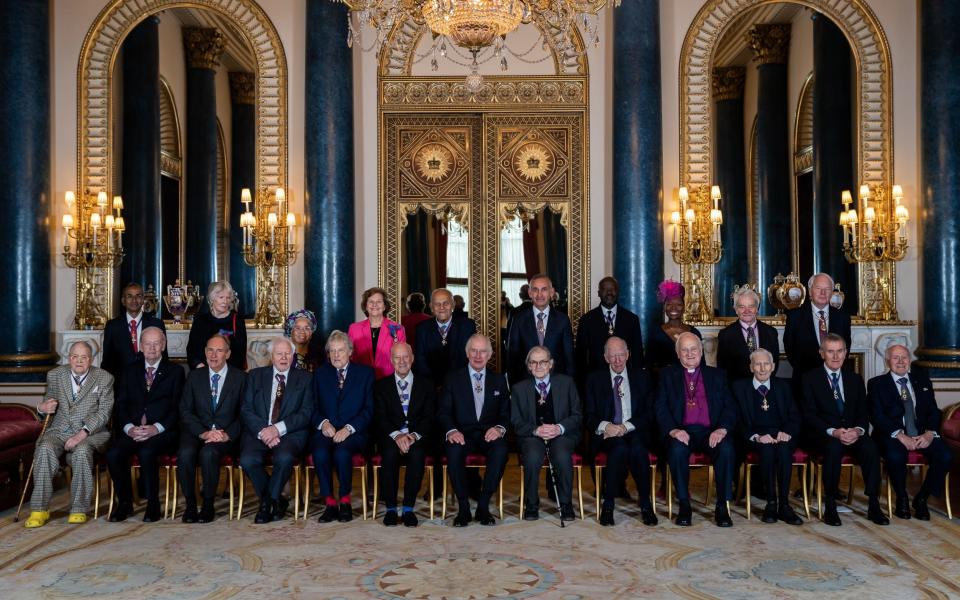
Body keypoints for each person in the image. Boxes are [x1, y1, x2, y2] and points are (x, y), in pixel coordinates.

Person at [23, 341, 114, 528]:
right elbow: (47, 404)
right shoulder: (55, 375)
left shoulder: (104, 378)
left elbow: (104, 413)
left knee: (80, 452)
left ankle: (79, 509)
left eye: (84, 357)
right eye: (75, 356)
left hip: (92, 432)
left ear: (91, 359)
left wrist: (82, 434)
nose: (79, 361)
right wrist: (42, 407)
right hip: (59, 429)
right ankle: (39, 509)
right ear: (69, 358)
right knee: (44, 448)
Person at [800, 333, 887, 526]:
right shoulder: (810, 379)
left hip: (852, 432)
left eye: (840, 351)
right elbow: (809, 415)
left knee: (871, 448)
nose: (836, 356)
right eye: (830, 351)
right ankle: (830, 504)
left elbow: (863, 413)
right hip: (823, 434)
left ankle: (874, 503)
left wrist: (857, 430)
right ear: (822, 353)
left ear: (846, 353)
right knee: (833, 449)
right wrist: (834, 431)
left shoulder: (854, 379)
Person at [655, 332, 736, 527]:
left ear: (701, 351)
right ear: (678, 354)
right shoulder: (667, 375)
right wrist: (673, 430)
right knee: (676, 450)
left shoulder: (718, 375)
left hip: (711, 431)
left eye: (694, 349)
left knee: (726, 449)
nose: (690, 354)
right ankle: (684, 504)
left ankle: (722, 506)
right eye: (685, 350)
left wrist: (722, 430)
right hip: (682, 431)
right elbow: (660, 407)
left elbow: (730, 406)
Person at [107, 327, 185, 522]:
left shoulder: (176, 371)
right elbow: (121, 405)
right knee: (114, 453)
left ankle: (152, 503)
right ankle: (124, 502)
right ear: (140, 346)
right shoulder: (129, 371)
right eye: (147, 344)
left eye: (156, 343)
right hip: (133, 429)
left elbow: (178, 408)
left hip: (162, 432)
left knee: (147, 451)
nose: (152, 348)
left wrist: (155, 428)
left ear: (163, 345)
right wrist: (129, 429)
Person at [868, 344, 952, 520]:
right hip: (892, 434)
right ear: (887, 360)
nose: (900, 361)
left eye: (904, 357)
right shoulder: (877, 384)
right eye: (895, 357)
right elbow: (876, 415)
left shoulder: (922, 380)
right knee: (895, 455)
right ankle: (902, 497)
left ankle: (922, 498)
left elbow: (933, 411)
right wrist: (899, 434)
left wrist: (930, 433)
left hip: (921, 433)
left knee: (945, 455)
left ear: (910, 360)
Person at [240, 337, 315, 523]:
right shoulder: (255, 375)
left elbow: (306, 412)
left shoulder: (305, 378)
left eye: (287, 353)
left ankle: (266, 504)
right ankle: (276, 500)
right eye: (279, 354)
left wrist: (277, 429)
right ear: (271, 356)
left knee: (284, 457)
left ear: (293, 355)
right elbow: (246, 409)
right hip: (259, 431)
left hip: (290, 432)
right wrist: (264, 430)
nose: (283, 358)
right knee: (248, 460)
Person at [585, 337, 658, 527]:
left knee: (637, 449)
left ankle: (645, 504)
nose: (617, 360)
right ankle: (608, 505)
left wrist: (626, 427)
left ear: (628, 355)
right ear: (606, 357)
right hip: (607, 433)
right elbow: (589, 415)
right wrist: (606, 426)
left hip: (634, 429)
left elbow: (649, 412)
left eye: (621, 355)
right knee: (618, 449)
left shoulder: (642, 377)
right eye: (613, 355)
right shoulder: (594, 379)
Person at [439, 334, 510, 526]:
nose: (478, 355)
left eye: (483, 351)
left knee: (501, 449)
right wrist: (452, 431)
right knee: (452, 450)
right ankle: (463, 508)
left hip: (489, 434)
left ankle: (483, 505)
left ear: (490, 355)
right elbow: (444, 412)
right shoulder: (453, 378)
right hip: (462, 433)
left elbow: (506, 414)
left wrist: (499, 428)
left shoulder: (499, 380)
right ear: (467, 353)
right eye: (474, 351)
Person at [414, 287, 477, 499]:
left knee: (465, 436)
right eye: (437, 304)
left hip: (459, 390)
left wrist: (450, 385)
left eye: (446, 303)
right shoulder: (422, 328)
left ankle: (470, 484)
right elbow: (420, 360)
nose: (442, 307)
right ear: (431, 307)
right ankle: (436, 486)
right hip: (432, 391)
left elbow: (467, 358)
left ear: (453, 305)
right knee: (435, 440)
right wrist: (434, 386)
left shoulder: (467, 325)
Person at [177, 334, 247, 523]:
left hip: (225, 434)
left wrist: (227, 435)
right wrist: (203, 432)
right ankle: (191, 504)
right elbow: (184, 410)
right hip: (198, 431)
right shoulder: (194, 376)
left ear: (228, 354)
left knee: (209, 453)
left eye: (219, 350)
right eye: (210, 350)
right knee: (185, 453)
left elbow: (245, 414)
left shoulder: (240, 378)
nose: (213, 355)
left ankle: (208, 505)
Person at [732, 349, 803, 525]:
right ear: (751, 367)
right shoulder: (739, 387)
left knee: (784, 450)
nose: (762, 368)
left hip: (781, 434)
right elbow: (736, 420)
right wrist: (756, 436)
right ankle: (771, 503)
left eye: (766, 364)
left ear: (773, 367)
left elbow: (795, 416)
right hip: (755, 436)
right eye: (758, 364)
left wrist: (786, 432)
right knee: (767, 450)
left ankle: (785, 505)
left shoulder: (784, 386)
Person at [511, 346, 582, 522]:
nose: (539, 366)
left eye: (543, 362)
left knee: (562, 455)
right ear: (528, 366)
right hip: (532, 436)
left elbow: (577, 415)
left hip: (562, 435)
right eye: (533, 362)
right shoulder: (519, 388)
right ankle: (532, 504)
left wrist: (559, 428)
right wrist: (535, 430)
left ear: (550, 364)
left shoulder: (566, 383)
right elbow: (516, 421)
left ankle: (565, 504)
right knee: (533, 456)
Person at [309, 330, 374, 523]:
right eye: (332, 351)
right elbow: (312, 407)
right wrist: (324, 423)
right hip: (327, 429)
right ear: (328, 353)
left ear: (350, 352)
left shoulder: (365, 374)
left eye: (341, 350)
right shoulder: (320, 374)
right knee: (319, 453)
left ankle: (345, 501)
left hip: (354, 432)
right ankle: (330, 502)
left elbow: (369, 410)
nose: (336, 355)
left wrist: (349, 429)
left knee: (341, 453)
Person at [373, 342, 435, 526]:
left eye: (405, 357)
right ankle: (391, 508)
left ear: (412, 358)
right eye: (397, 357)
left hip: (417, 436)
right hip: (391, 436)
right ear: (391, 360)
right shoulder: (380, 386)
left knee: (417, 454)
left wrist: (413, 436)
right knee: (389, 454)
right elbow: (380, 418)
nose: (402, 361)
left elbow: (429, 417)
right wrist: (397, 435)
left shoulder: (426, 385)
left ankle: (408, 507)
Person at [505, 274, 575, 386]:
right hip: (526, 385)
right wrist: (514, 388)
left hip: (557, 384)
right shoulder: (518, 320)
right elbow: (512, 358)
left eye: (544, 289)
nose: (539, 294)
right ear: (530, 293)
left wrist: (570, 386)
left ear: (552, 292)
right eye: (535, 290)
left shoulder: (563, 320)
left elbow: (569, 356)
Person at [784, 273, 851, 386]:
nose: (823, 293)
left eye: (827, 289)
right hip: (804, 379)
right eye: (818, 288)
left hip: (834, 379)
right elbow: (790, 348)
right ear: (810, 291)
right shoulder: (795, 316)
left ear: (832, 292)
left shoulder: (842, 317)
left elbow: (846, 347)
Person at [575, 276, 645, 382]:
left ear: (618, 292)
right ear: (598, 293)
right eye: (605, 289)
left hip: (626, 378)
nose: (609, 292)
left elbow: (637, 354)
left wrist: (637, 380)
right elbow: (580, 356)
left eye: (613, 289)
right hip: (596, 380)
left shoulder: (631, 319)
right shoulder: (586, 320)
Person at [100, 282, 166, 383]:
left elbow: (164, 358)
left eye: (138, 296)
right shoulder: (112, 326)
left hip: (150, 381)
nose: (134, 300)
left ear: (143, 300)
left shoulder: (157, 324)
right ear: (123, 301)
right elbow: (107, 361)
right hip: (121, 383)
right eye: (129, 296)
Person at [716, 287, 780, 382]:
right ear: (735, 309)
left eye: (751, 306)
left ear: (757, 308)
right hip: (737, 390)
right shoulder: (726, 335)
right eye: (742, 307)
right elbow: (722, 369)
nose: (747, 311)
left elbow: (774, 363)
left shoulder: (771, 332)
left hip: (765, 387)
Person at [187, 280, 248, 370]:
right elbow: (191, 350)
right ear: (212, 299)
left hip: (229, 374)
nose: (225, 301)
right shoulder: (200, 320)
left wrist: (222, 371)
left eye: (228, 298)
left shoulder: (237, 320)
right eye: (221, 297)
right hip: (202, 372)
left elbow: (240, 353)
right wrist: (200, 367)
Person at [348, 286, 406, 380]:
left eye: (379, 302)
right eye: (371, 301)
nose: (374, 305)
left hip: (388, 381)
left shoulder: (398, 329)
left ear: (384, 306)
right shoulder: (354, 329)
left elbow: (401, 359)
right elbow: (350, 357)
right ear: (366, 306)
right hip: (361, 379)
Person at [646, 280, 703, 373]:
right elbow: (649, 365)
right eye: (669, 304)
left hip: (689, 383)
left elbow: (701, 365)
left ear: (684, 308)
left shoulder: (694, 333)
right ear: (664, 308)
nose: (673, 308)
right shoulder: (655, 333)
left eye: (679, 304)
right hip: (663, 383)